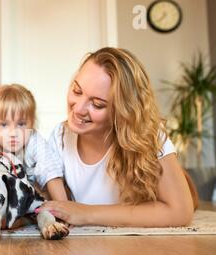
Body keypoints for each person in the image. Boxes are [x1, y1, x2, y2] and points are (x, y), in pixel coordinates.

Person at [39, 47, 198, 227]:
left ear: (122, 111)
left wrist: (86, 213)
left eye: (97, 104)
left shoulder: (149, 136)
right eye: (77, 91)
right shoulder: (60, 137)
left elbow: (180, 212)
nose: (78, 109)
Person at [0, 84, 68, 201]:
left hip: (35, 201)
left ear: (32, 123)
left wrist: (63, 207)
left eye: (21, 124)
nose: (13, 133)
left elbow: (51, 173)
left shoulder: (34, 142)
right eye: (4, 125)